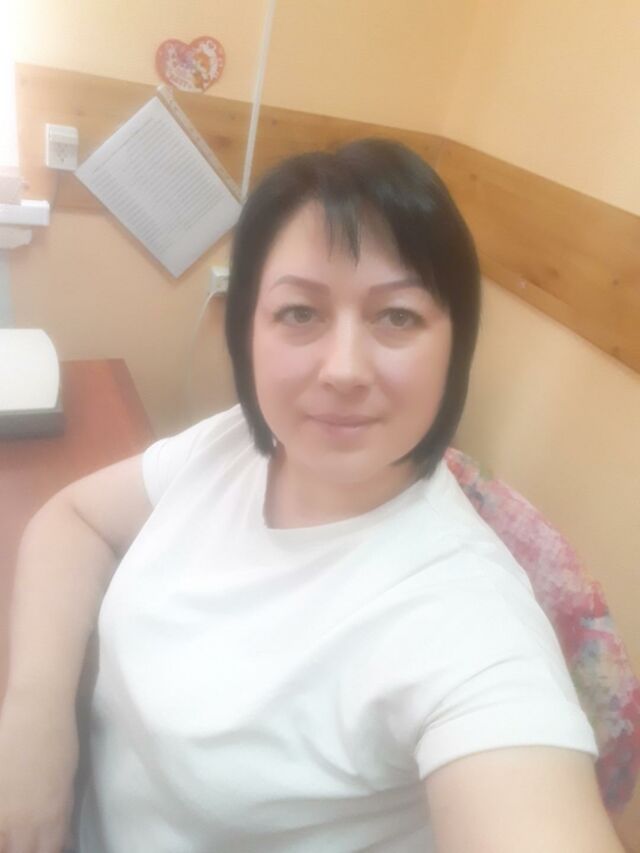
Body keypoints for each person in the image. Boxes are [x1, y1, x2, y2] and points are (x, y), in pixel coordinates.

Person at [0, 139, 625, 853]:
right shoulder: (235, 446)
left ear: (456, 345)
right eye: (300, 312)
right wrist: (35, 720)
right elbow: (73, 518)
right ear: (248, 329)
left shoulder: (471, 623)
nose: (343, 370)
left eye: (397, 316)